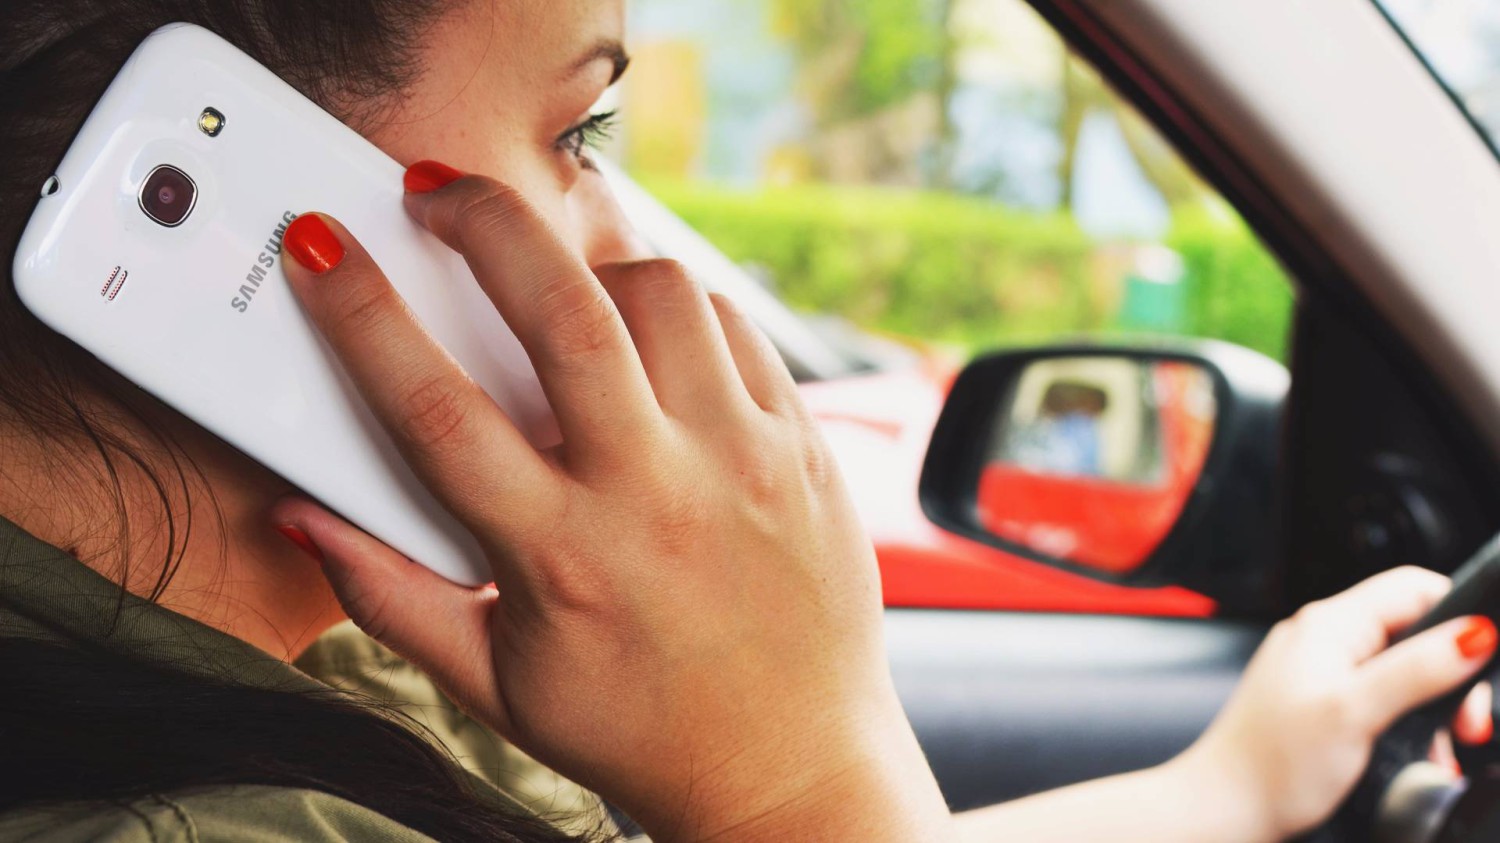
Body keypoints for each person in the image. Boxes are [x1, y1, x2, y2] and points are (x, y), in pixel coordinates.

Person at [0, 2, 1495, 841]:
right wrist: (794, 774)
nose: (646, 256)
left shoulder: (327, 658)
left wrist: (1217, 792)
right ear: (265, 191)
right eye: (578, 134)